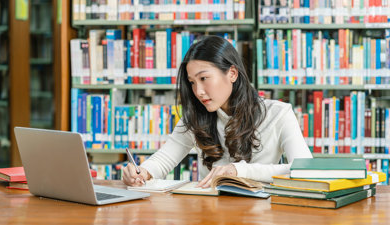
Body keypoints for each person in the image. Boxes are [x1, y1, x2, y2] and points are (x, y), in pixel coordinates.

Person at [122, 35, 312, 188]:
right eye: (192, 82)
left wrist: (238, 171)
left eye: (204, 78)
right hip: (210, 211)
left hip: (260, 212)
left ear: (232, 73)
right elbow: (164, 158)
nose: (198, 91)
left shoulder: (278, 114)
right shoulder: (196, 116)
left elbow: (304, 170)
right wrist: (142, 172)